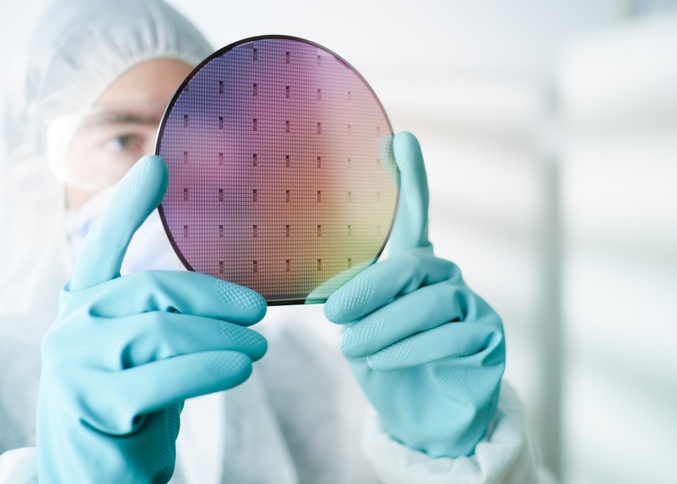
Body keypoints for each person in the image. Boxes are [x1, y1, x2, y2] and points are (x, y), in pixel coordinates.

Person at [0, 0, 554, 482]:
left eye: (197, 134)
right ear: (34, 177)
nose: (172, 171)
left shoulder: (320, 381)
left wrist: (452, 456)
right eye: (123, 138)